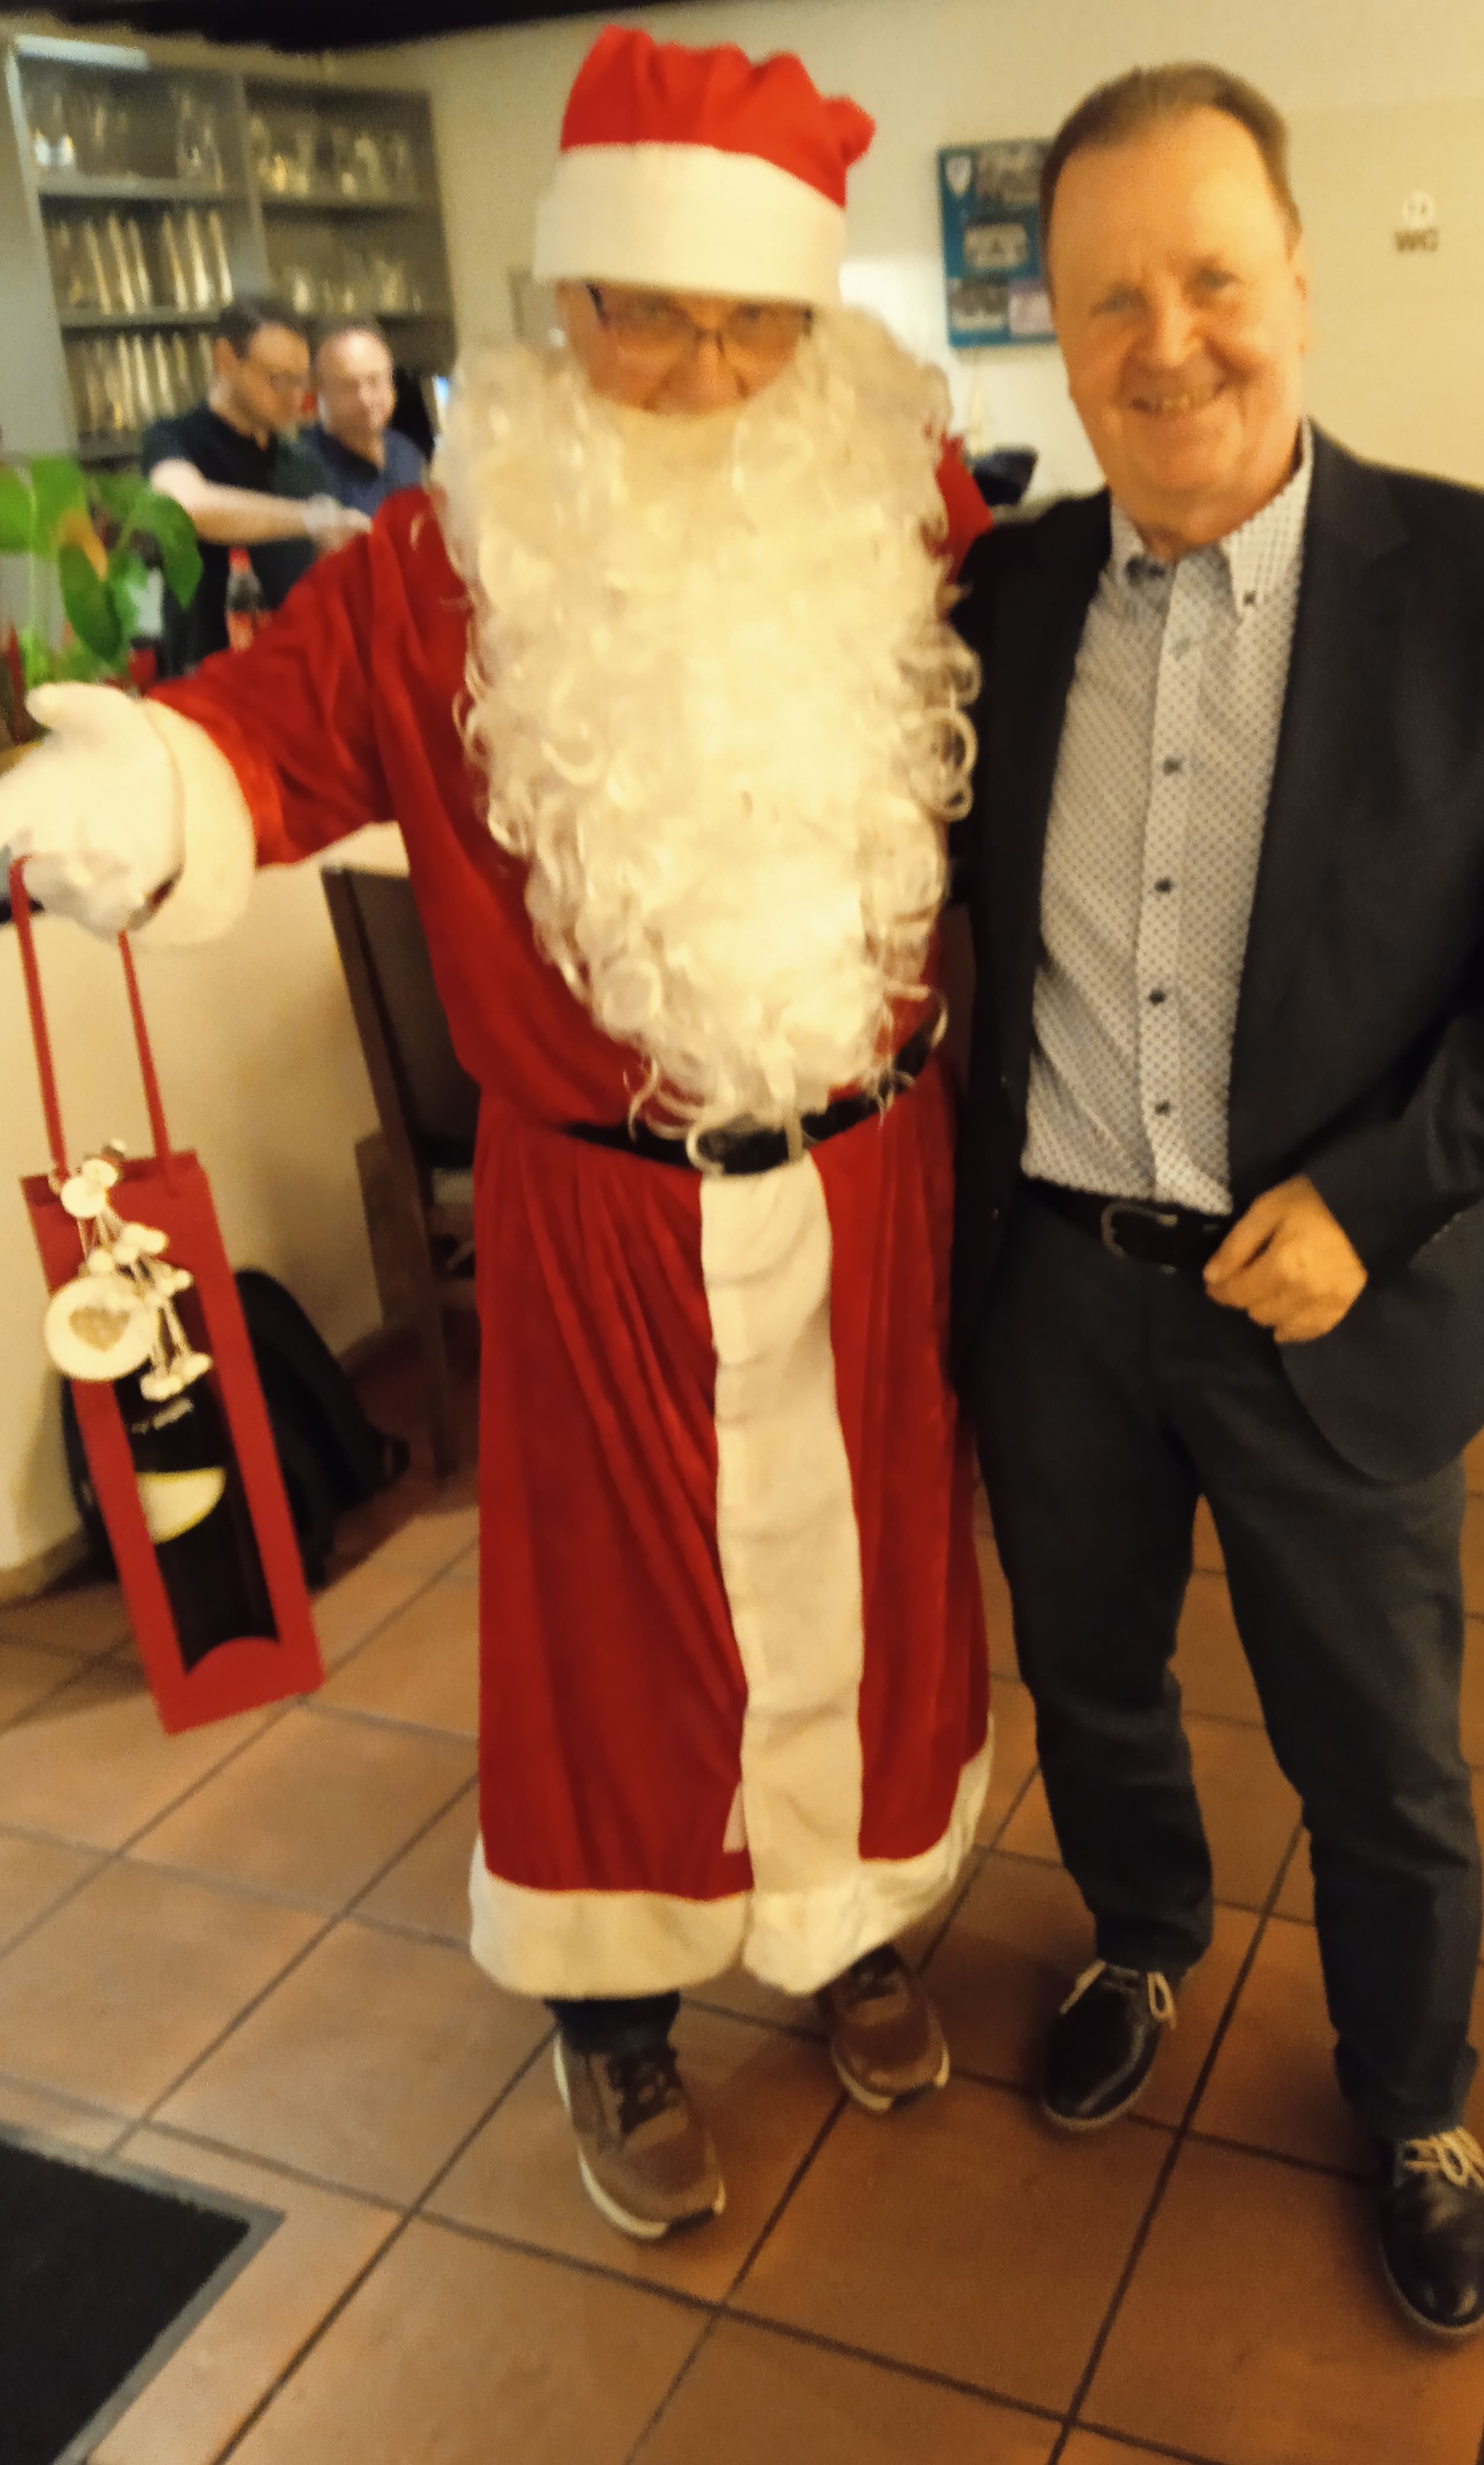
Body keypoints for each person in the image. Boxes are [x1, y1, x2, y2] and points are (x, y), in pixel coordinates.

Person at [3, 27, 992, 2246]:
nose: (707, 374)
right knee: (607, 1634)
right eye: (652, 315)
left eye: (756, 323)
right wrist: (128, 786)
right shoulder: (443, 564)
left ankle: (846, 1921)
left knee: (880, 1584)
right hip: (599, 1216)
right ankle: (612, 2006)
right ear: (567, 300)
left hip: (871, 1190)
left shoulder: (902, 512)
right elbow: (260, 736)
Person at [951, 63, 1484, 2341]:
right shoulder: (1001, 593)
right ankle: (1143, 1935)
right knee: (1089, 1676)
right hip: (1060, 1292)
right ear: (1056, 335)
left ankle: (1416, 2094)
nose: (1164, 342)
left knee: (1378, 1749)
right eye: (1107, 299)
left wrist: (1372, 1196)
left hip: (1328, 1304)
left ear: (1298, 281)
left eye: (1211, 280)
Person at [142, 297, 371, 672]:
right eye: (279, 379)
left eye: (302, 380)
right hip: (203, 681)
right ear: (226, 360)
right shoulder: (175, 439)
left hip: (291, 679)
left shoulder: (304, 462)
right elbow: (186, 507)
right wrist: (313, 518)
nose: (295, 397)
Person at [304, 316, 427, 517]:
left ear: (391, 382)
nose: (365, 399)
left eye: (374, 380)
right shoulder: (298, 467)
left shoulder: (406, 453)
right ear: (319, 389)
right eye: (348, 386)